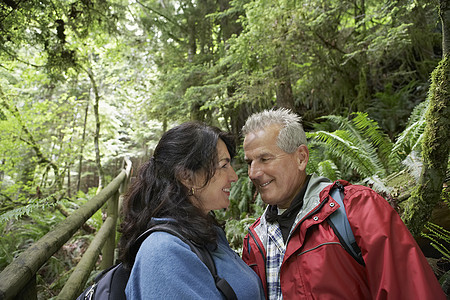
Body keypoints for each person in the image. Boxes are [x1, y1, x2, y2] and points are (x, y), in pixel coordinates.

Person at [241, 108, 446, 299]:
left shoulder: (358, 208)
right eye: (249, 162)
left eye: (265, 159)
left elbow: (410, 290)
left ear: (301, 158)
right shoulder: (255, 241)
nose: (253, 173)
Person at [118, 121, 265, 299]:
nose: (234, 176)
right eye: (223, 165)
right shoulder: (163, 254)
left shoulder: (202, 234)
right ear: (186, 177)